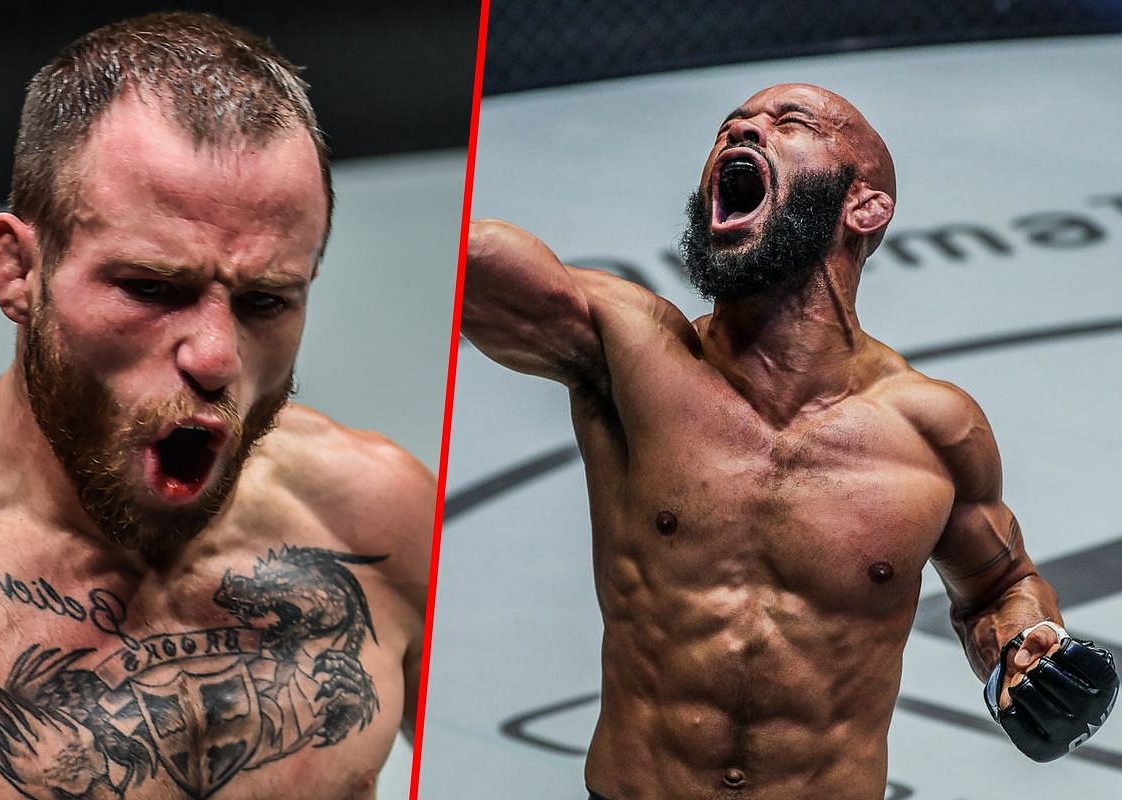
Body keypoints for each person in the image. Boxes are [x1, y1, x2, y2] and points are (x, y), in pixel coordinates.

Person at [463, 83, 1117, 799]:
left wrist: (1022, 650)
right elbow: (476, 264)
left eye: (790, 123)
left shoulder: (932, 431)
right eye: (732, 125)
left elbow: (1000, 585)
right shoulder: (628, 352)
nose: (744, 131)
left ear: (863, 206)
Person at [0, 13, 433, 800]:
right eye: (153, 289)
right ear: (18, 270)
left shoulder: (377, 517)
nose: (216, 358)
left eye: (265, 301)